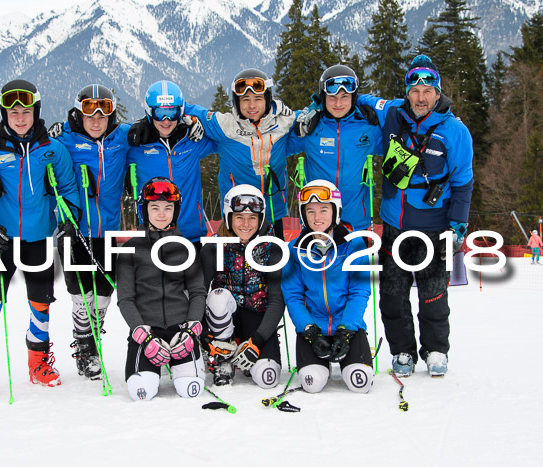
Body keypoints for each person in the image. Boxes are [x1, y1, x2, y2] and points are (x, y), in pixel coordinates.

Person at [0, 84, 131, 381]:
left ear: (111, 116)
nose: (96, 120)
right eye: (89, 113)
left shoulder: (123, 137)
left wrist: (192, 120)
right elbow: (23, 135)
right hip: (73, 232)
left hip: (109, 229)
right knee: (80, 293)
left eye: (103, 113)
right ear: (78, 113)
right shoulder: (64, 139)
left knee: (104, 295)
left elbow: (158, 124)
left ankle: (80, 347)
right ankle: (85, 349)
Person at [0, 79, 80, 400]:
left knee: (41, 303)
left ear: (35, 111)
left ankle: (38, 363)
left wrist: (68, 219)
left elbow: (68, 189)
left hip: (38, 238)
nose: (20, 117)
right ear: (4, 114)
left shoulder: (52, 149)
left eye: (26, 111)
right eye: (13, 112)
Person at [358, 55, 474, 377]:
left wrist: (458, 226)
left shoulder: (455, 131)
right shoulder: (393, 113)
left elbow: (463, 182)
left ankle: (436, 350)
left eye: (428, 90)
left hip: (434, 230)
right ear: (407, 91)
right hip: (394, 227)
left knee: (433, 295)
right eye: (415, 89)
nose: (421, 97)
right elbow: (361, 98)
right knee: (392, 297)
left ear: (438, 93)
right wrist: (358, 106)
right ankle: (403, 352)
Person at [116, 178, 207, 401]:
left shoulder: (186, 247)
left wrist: (191, 329)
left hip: (180, 331)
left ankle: (184, 363)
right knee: (142, 394)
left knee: (191, 391)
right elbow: (125, 298)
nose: (161, 214)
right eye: (154, 207)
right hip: (148, 331)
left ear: (176, 211)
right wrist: (142, 335)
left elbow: (197, 292)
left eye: (168, 208)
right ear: (144, 210)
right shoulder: (130, 249)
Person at [281, 180, 373, 394]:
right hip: (313, 329)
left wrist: (347, 329)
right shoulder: (294, 250)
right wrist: (309, 331)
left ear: (336, 212)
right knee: (312, 384)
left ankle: (352, 354)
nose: (317, 217)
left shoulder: (355, 246)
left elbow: (359, 292)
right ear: (304, 215)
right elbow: (293, 296)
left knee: (360, 383)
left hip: (348, 328)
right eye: (310, 211)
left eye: (324, 210)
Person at [182, 68, 296, 239]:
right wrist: (191, 121)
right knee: (230, 266)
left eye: (258, 99)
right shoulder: (225, 126)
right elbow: (187, 108)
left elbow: (317, 115)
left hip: (272, 216)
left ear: (267, 99)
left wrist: (312, 109)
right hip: (235, 218)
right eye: (245, 99)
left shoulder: (285, 122)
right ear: (237, 101)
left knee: (273, 265)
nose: (251, 106)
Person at [200, 184, 284, 388]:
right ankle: (223, 358)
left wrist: (258, 339)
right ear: (229, 217)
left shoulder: (272, 247)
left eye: (252, 218)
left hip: (258, 317)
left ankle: (250, 351)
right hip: (224, 318)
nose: (246, 224)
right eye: (239, 217)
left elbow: (277, 299)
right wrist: (204, 336)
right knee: (218, 296)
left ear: (260, 218)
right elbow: (198, 293)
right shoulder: (214, 246)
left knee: (267, 378)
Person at [288, 64, 383, 231]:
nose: (338, 103)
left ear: (354, 97)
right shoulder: (309, 127)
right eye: (332, 97)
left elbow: (397, 138)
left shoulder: (368, 127)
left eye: (345, 97)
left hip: (356, 222)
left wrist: (378, 111)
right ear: (323, 97)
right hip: (318, 223)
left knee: (357, 258)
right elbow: (274, 141)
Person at [127, 80, 215, 247]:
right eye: (159, 113)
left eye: (172, 112)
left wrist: (198, 121)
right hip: (152, 236)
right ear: (149, 112)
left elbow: (223, 136)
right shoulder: (136, 144)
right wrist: (65, 129)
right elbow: (104, 140)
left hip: (191, 235)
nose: (166, 120)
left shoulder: (192, 141)